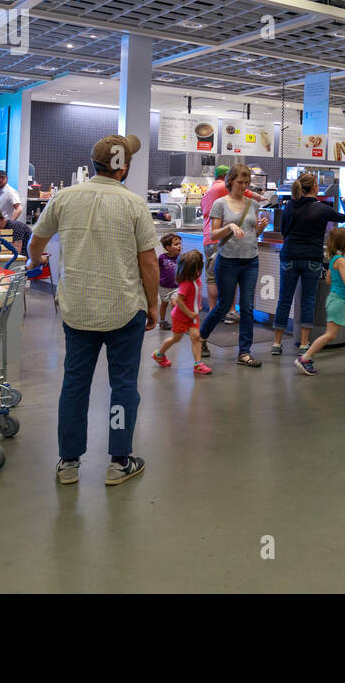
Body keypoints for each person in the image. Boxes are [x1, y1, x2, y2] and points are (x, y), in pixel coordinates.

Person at [29, 133, 158, 486]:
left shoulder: (65, 198)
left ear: (94, 164)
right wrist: (154, 305)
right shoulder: (134, 204)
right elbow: (149, 262)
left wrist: (36, 260)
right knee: (123, 386)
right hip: (124, 309)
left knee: (75, 383)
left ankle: (68, 462)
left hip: (78, 309)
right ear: (125, 167)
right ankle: (119, 461)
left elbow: (35, 241)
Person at [272, 171, 345, 358]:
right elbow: (343, 217)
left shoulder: (290, 206)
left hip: (289, 255)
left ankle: (276, 343)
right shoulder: (321, 208)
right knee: (308, 301)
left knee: (284, 300)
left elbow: (283, 231)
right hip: (311, 258)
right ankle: (304, 345)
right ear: (315, 187)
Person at [196, 165, 268, 368]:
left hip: (250, 260)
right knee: (223, 305)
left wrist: (259, 229)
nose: (243, 186)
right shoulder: (220, 203)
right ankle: (201, 337)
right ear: (230, 182)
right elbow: (213, 234)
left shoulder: (253, 205)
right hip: (227, 261)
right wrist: (230, 226)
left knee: (247, 307)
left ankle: (244, 352)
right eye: (239, 183)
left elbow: (253, 233)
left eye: (246, 183)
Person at [293, 228, 345, 376]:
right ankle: (305, 359)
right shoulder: (342, 261)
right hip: (339, 302)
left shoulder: (335, 260)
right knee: (331, 335)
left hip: (343, 301)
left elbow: (329, 279)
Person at [152, 249, 210, 375]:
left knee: (196, 338)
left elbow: (195, 296)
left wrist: (197, 306)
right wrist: (189, 313)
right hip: (181, 317)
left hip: (193, 316)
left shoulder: (196, 281)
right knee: (175, 339)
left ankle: (198, 364)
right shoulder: (186, 284)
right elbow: (179, 301)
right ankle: (159, 354)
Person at [157, 232, 182, 329]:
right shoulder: (162, 258)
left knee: (174, 303)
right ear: (168, 247)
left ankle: (176, 322)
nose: (179, 246)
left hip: (176, 286)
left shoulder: (181, 258)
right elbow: (158, 269)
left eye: (180, 244)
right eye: (176, 244)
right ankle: (162, 321)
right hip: (164, 286)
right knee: (164, 304)